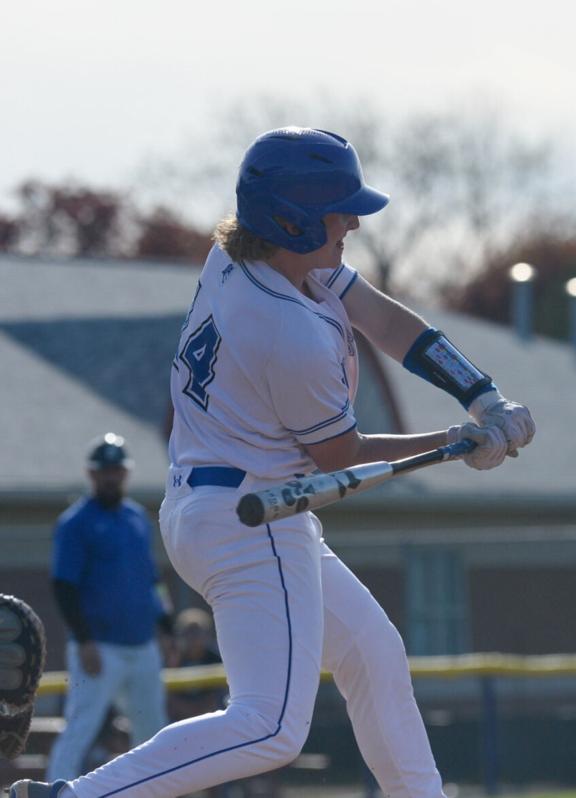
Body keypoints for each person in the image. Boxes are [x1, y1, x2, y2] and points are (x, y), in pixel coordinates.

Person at [7, 127, 534, 798]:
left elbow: (381, 318)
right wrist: (455, 442)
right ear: (292, 218)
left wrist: (480, 393)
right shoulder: (285, 329)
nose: (351, 223)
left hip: (227, 503)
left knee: (372, 653)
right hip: (253, 518)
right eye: (337, 211)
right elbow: (339, 458)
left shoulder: (249, 257)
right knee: (271, 727)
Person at [43, 434, 172, 784]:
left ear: (125, 473)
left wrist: (166, 624)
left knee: (153, 729)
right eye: (105, 471)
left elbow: (153, 578)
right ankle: (57, 789)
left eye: (118, 470)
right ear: (92, 474)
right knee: (81, 727)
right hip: (100, 646)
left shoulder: (136, 518)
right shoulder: (76, 522)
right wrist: (84, 640)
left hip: (142, 644)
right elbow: (63, 586)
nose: (112, 477)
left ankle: (154, 790)